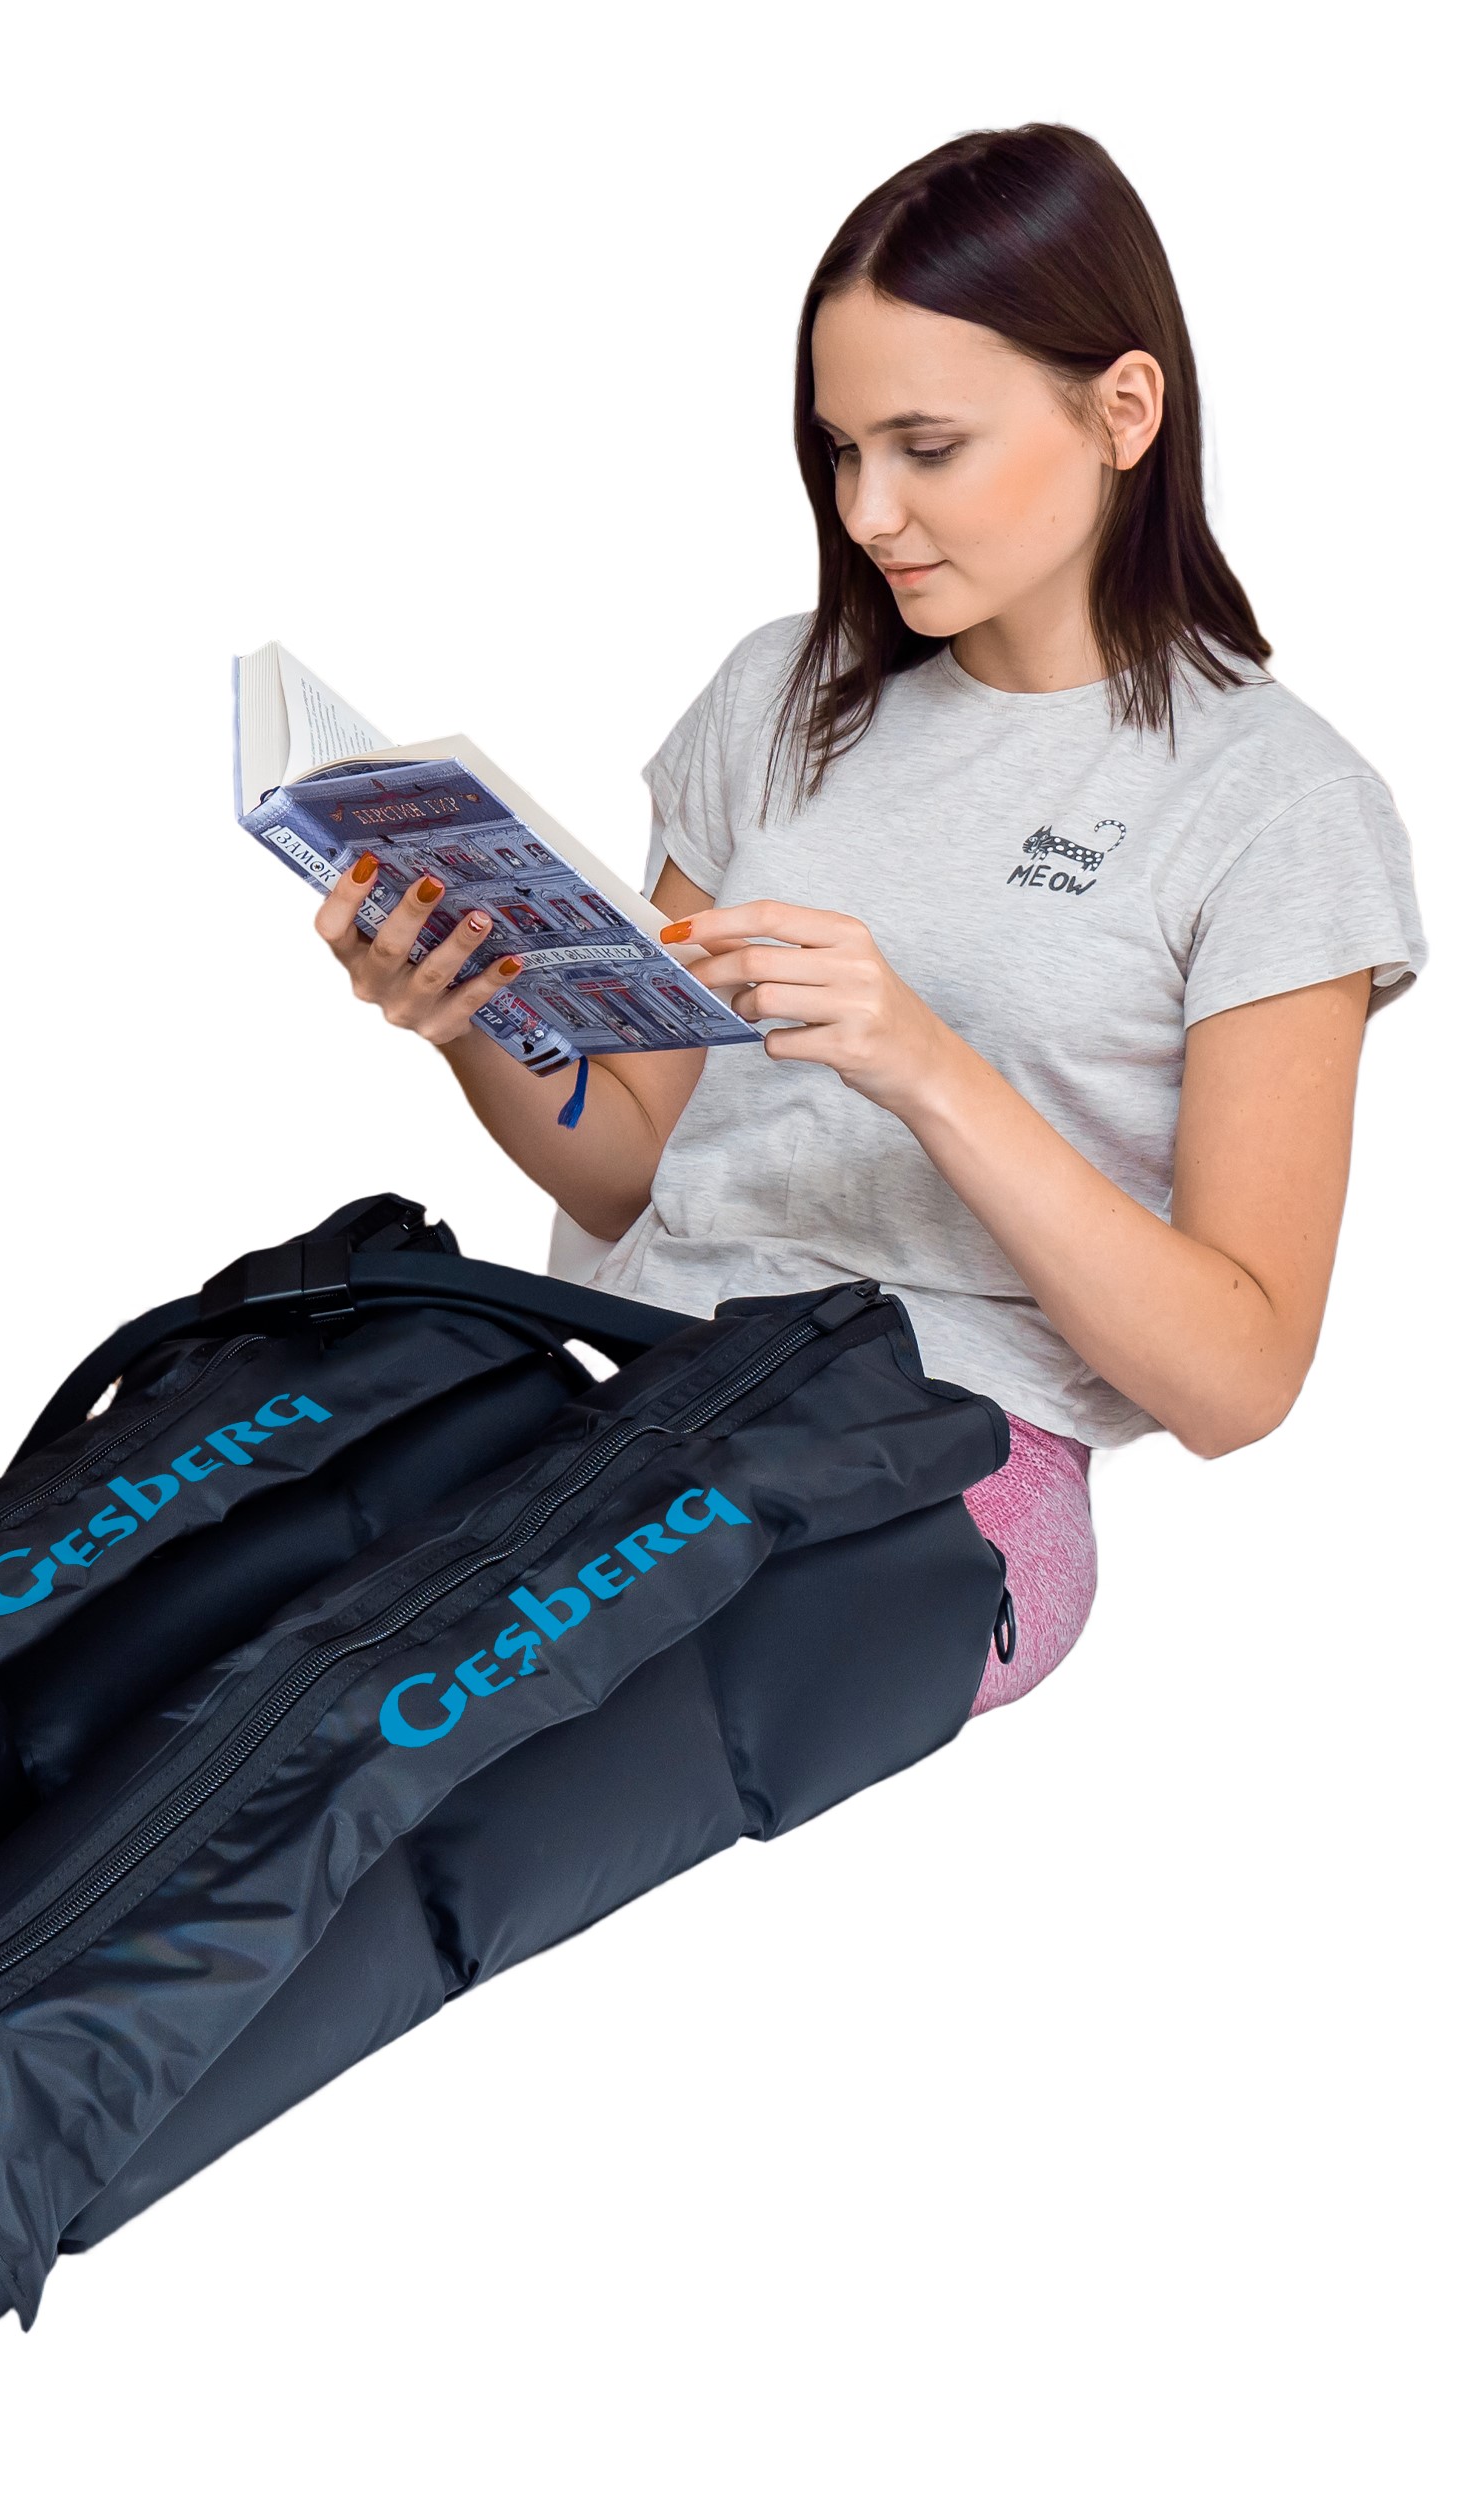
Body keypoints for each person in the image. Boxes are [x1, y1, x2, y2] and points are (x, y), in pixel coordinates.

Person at [311, 124, 1425, 1717]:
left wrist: (927, 1064)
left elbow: (1238, 1381)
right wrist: (476, 1017)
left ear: (1124, 411)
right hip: (623, 1379)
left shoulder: (1275, 805)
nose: (870, 510)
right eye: (841, 452)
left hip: (938, 1446)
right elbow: (630, 1166)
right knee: (209, 1604)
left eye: (927, 447)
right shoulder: (778, 694)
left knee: (422, 1729)